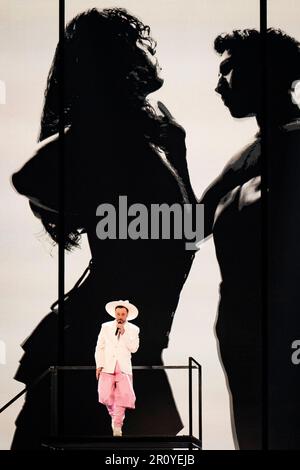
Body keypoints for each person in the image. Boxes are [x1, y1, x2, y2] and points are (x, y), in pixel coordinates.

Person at [10, 8, 199, 449]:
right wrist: (90, 207)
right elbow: (28, 176)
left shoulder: (159, 137)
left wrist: (180, 152)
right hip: (97, 343)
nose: (150, 54)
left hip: (134, 342)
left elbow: (187, 233)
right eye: (139, 47)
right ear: (115, 64)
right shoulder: (104, 128)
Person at [200, 28, 300, 449]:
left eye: (230, 71)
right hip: (243, 337)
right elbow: (188, 228)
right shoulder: (247, 157)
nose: (219, 84)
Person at [95, 300, 139, 437]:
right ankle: (114, 417)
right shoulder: (106, 326)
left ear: (127, 315)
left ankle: (118, 425)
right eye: (118, 313)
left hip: (123, 367)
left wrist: (124, 333)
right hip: (107, 365)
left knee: (123, 396)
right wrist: (99, 364)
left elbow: (134, 348)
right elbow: (100, 346)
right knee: (106, 395)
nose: (120, 316)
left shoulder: (133, 329)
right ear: (115, 313)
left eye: (123, 314)